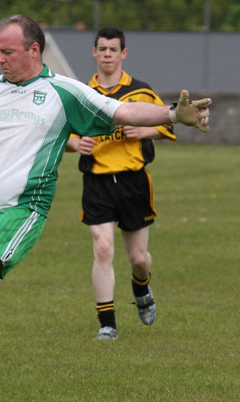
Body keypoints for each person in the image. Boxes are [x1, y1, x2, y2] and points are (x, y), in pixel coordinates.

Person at [0, 15, 211, 393]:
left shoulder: (64, 92)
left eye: (7, 51)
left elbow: (121, 112)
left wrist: (171, 114)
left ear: (34, 50)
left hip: (20, 210)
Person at [66, 27, 179, 340]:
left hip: (133, 181)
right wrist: (76, 144)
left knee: (138, 259)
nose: (106, 55)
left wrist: (143, 132)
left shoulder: (140, 91)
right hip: (97, 181)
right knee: (102, 249)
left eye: (112, 50)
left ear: (123, 54)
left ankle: (141, 286)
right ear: (94, 52)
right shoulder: (80, 93)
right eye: (101, 49)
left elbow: (169, 120)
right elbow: (60, 133)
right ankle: (107, 324)